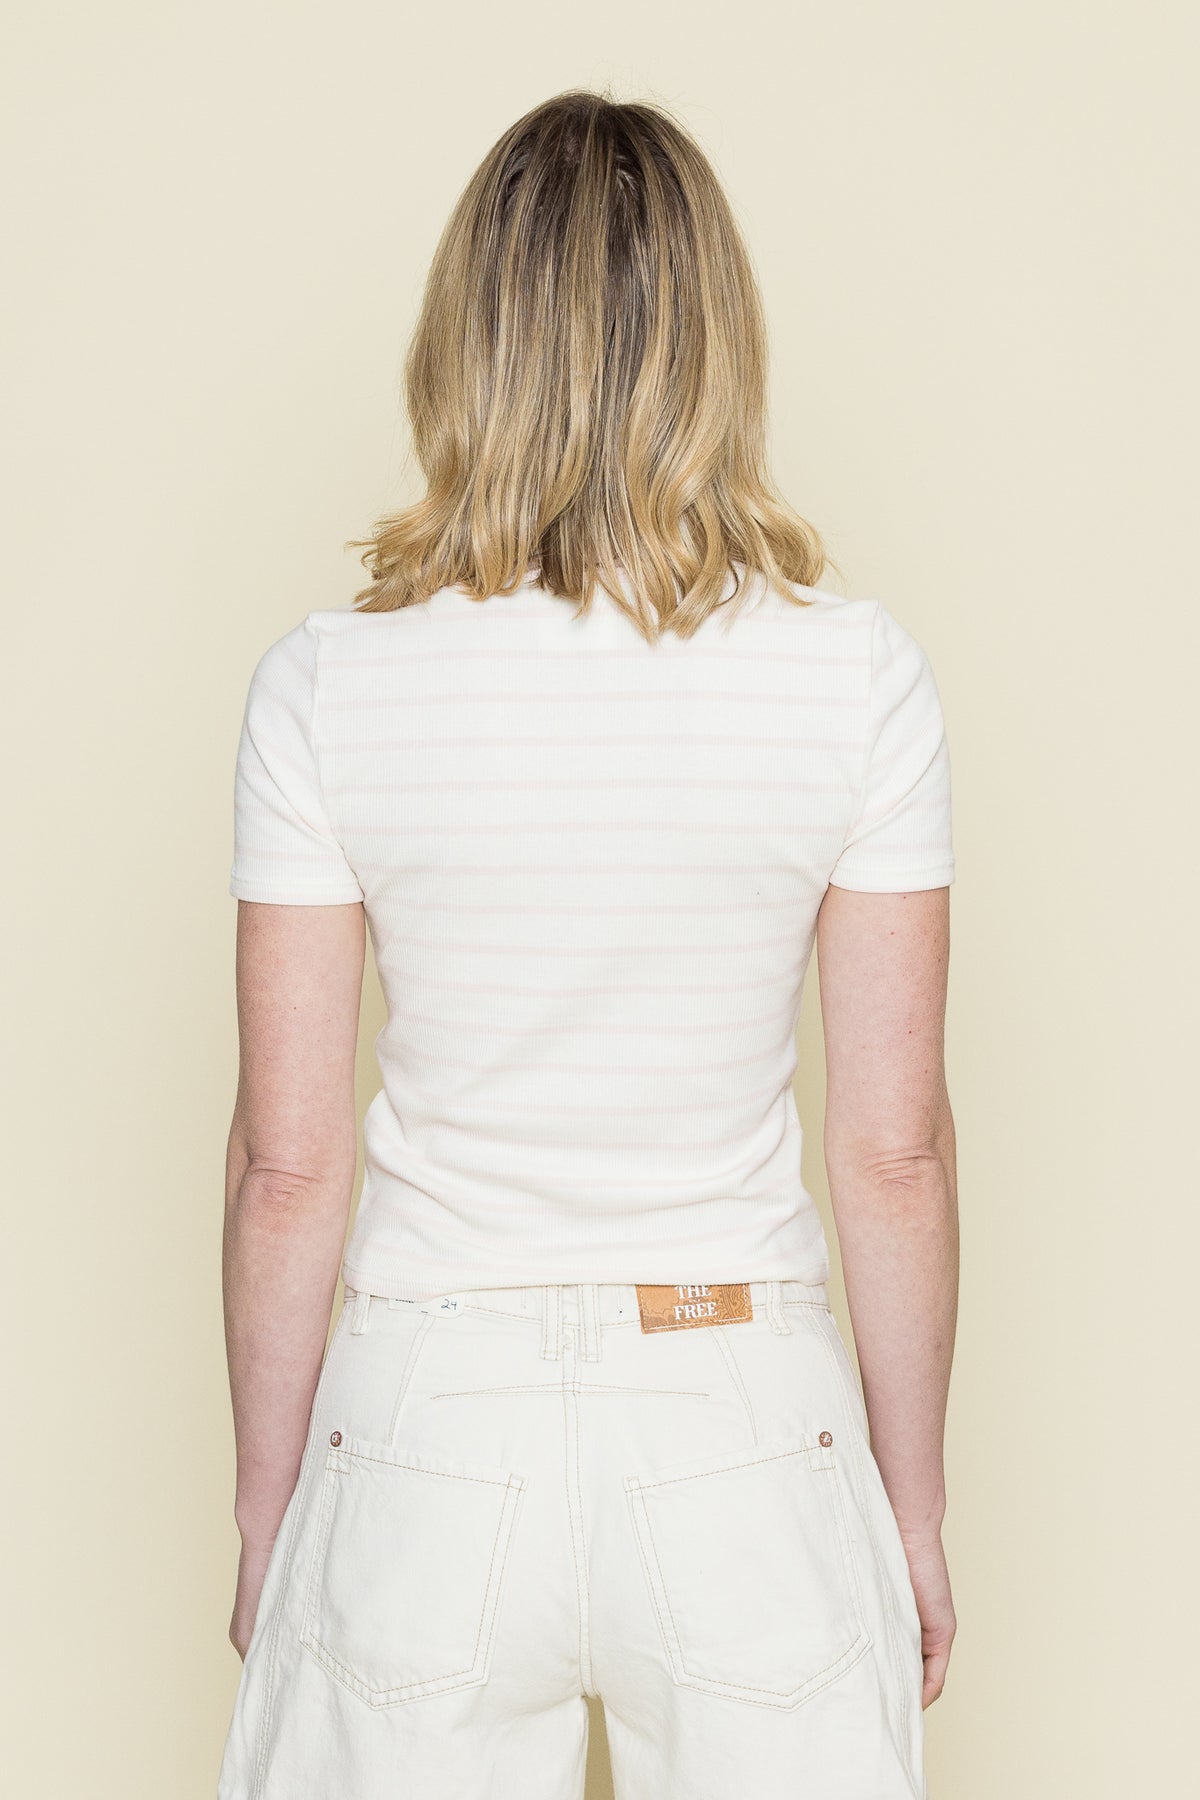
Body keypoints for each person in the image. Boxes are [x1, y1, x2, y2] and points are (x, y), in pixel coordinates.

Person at [217, 88, 958, 1800]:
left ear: (463, 342)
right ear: (718, 342)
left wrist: (271, 1508)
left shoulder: (328, 688)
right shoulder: (855, 679)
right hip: (741, 1412)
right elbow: (894, 1152)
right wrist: (909, 1510)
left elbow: (285, 1164)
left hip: (429, 1419)